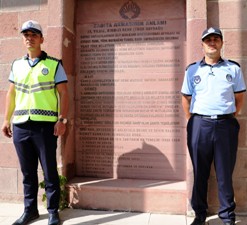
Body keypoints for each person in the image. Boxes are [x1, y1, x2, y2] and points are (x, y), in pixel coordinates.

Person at [1, 20, 69, 225]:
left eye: (33, 34)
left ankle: (52, 212)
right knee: (27, 172)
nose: (29, 38)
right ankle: (30, 210)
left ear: (41, 38)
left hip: (45, 126)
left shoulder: (54, 64)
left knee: (49, 171)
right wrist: (6, 119)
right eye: (26, 35)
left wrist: (62, 119)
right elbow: (11, 94)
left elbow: (64, 94)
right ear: (23, 39)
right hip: (21, 125)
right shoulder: (17, 65)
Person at [181, 27, 246, 225]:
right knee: (200, 172)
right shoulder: (192, 70)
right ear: (202, 45)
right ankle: (199, 215)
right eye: (208, 40)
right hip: (200, 124)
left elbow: (239, 97)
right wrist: (194, 120)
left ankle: (227, 217)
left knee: (225, 173)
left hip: (226, 125)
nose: (212, 42)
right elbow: (186, 97)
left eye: (216, 39)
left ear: (221, 43)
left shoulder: (233, 69)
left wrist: (227, 115)